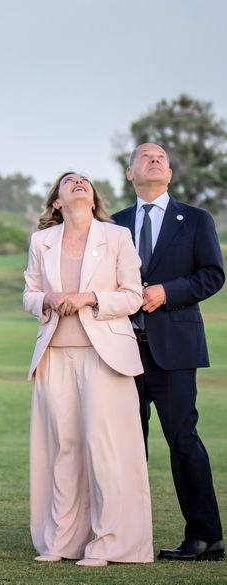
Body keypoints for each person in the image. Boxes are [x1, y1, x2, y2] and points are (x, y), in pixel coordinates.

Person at [23, 172, 153, 567]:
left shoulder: (117, 237)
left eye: (84, 180)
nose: (79, 183)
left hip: (106, 357)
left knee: (104, 446)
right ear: (57, 202)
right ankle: (61, 540)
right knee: (64, 446)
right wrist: (50, 297)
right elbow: (29, 294)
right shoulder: (41, 242)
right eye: (69, 182)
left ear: (93, 196)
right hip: (54, 356)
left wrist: (89, 298)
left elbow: (132, 296)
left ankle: (110, 542)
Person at [113, 143, 224, 561]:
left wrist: (167, 292)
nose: (154, 159)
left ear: (171, 173)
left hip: (175, 350)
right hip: (121, 352)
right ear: (129, 173)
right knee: (127, 444)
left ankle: (206, 536)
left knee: (183, 441)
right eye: (145, 156)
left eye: (161, 157)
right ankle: (127, 535)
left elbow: (212, 275)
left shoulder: (195, 219)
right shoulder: (114, 224)